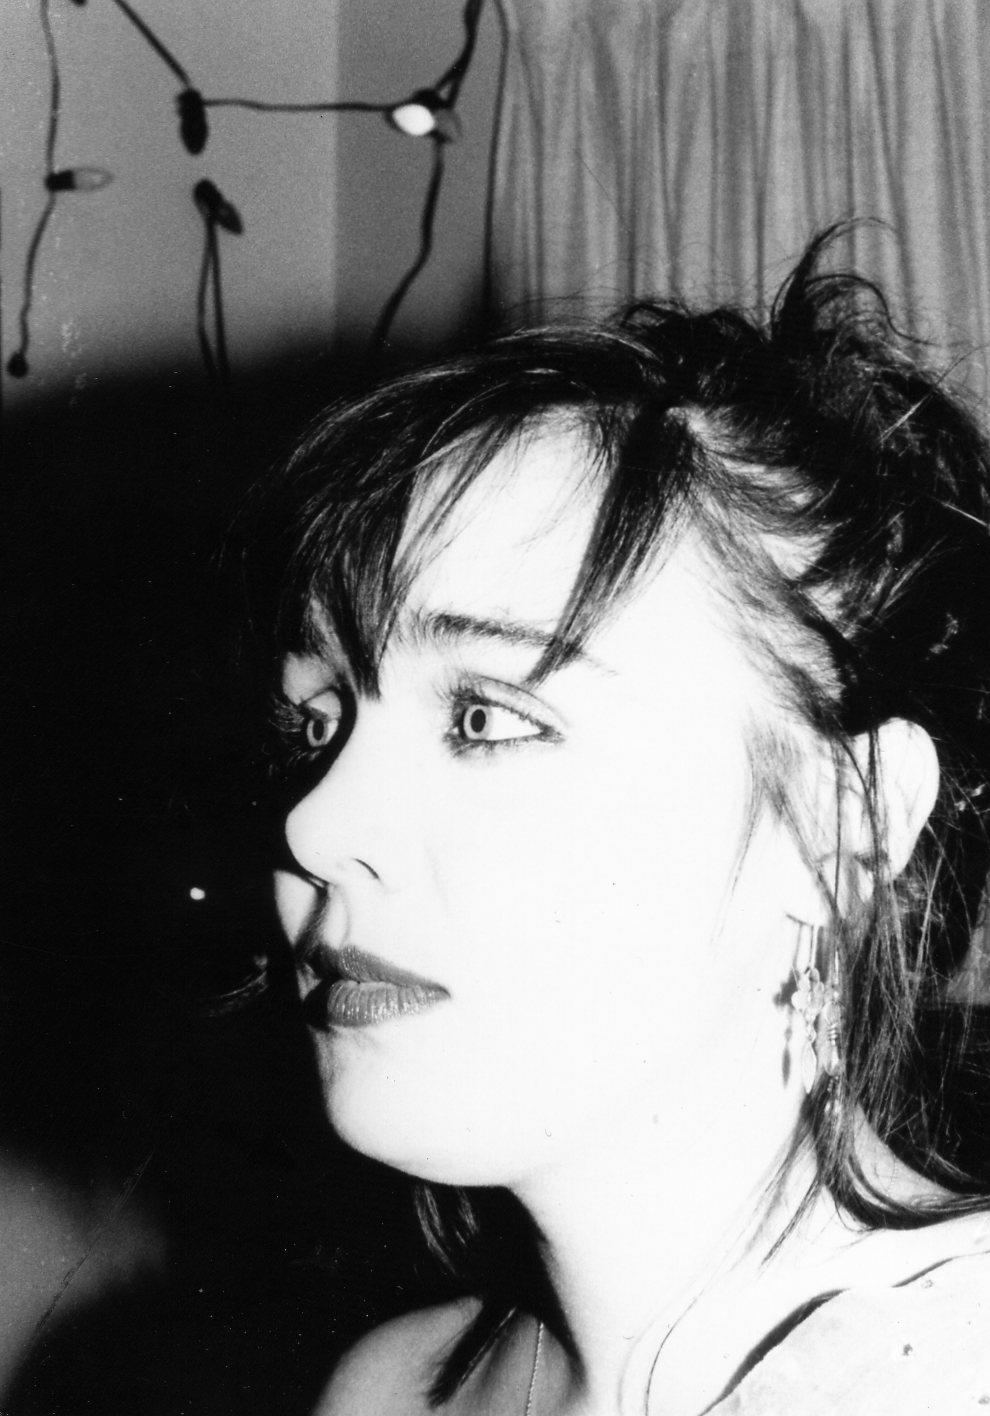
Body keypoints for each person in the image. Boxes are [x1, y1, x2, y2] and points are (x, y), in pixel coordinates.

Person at [242, 229, 990, 1414]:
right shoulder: (389, 1388)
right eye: (316, 726)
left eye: (487, 718)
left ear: (844, 821)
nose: (316, 827)